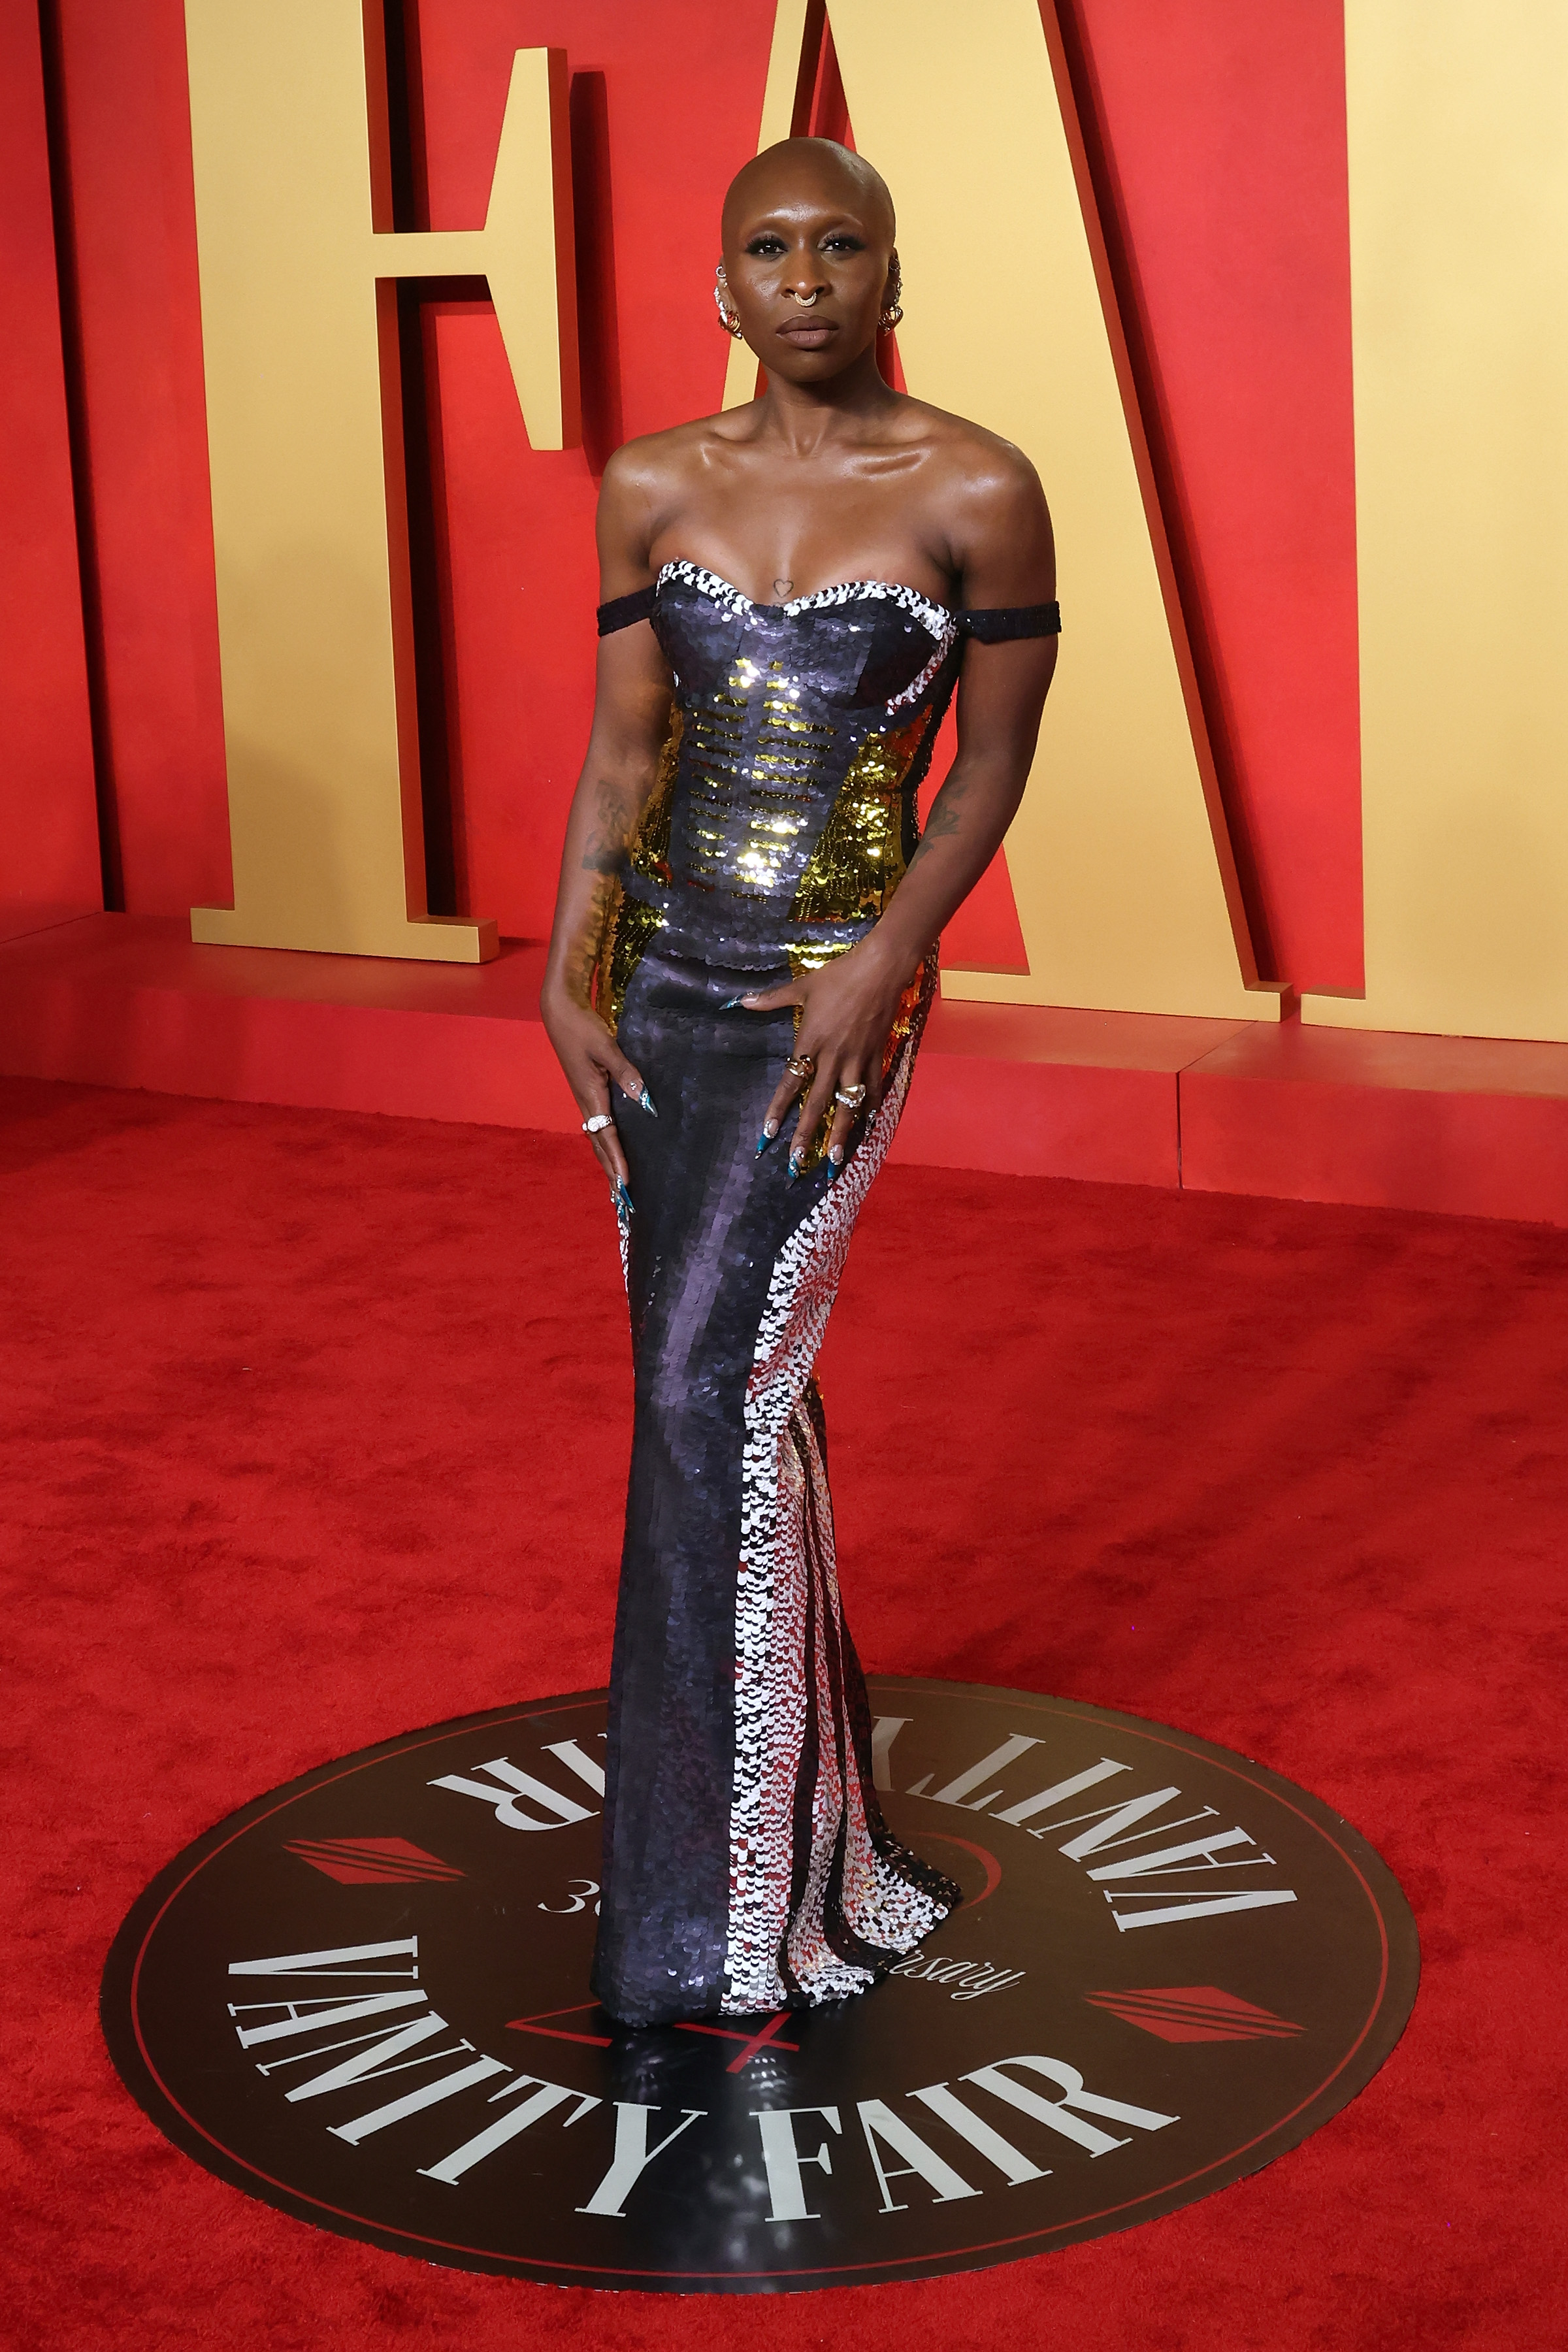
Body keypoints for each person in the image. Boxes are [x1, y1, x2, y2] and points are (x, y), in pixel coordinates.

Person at [542, 137, 1058, 2027]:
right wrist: (567, 960)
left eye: (842, 245)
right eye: (770, 247)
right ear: (724, 286)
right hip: (658, 984)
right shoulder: (650, 482)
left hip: (832, 994)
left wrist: (888, 958)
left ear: (891, 273)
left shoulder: (979, 488)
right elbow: (626, 749)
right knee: (718, 1399)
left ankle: (726, 1908)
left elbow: (989, 766)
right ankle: (802, 1831)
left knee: (715, 1395)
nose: (808, 277)